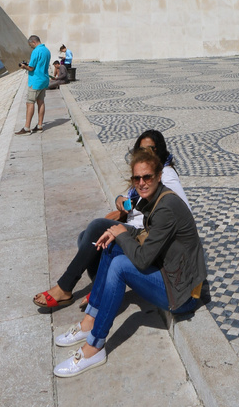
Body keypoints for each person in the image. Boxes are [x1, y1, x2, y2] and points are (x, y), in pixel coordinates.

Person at [53, 146, 206, 378]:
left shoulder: (166, 207)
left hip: (183, 294)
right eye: (137, 178)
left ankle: (94, 347)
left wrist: (121, 233)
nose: (142, 182)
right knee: (111, 244)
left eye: (147, 177)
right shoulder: (154, 199)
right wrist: (118, 231)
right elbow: (146, 236)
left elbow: (143, 259)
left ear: (158, 177)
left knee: (120, 265)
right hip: (169, 273)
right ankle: (89, 322)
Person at [33, 130, 190, 311]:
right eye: (140, 149)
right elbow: (132, 197)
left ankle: (65, 288)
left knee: (97, 227)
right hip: (133, 225)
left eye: (151, 149)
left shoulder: (166, 173)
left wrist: (156, 226)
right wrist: (121, 201)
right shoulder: (144, 170)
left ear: (160, 150)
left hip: (144, 233)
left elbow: (180, 208)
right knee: (85, 237)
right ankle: (104, 286)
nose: (145, 153)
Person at [16, 34, 51, 135]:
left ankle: (27, 128)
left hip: (35, 81)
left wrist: (24, 66)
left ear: (34, 42)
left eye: (30, 44)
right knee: (41, 102)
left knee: (30, 102)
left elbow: (31, 68)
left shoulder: (36, 51)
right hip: (44, 79)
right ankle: (40, 126)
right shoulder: (46, 50)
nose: (30, 46)